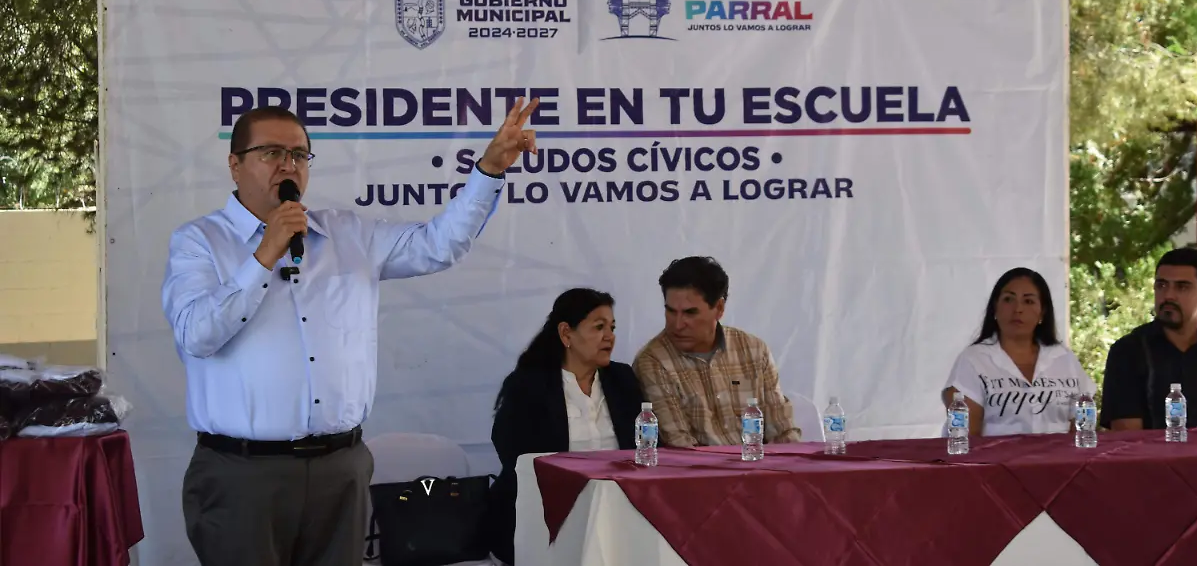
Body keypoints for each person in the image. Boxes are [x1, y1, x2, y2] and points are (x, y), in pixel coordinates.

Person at [161, 98, 538, 566]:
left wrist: (489, 169)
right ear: (235, 165)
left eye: (299, 155)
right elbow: (197, 334)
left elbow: (439, 245)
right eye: (272, 153)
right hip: (243, 474)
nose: (288, 166)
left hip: (340, 469)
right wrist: (264, 254)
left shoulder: (346, 235)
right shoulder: (199, 242)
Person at [486, 288, 644, 565]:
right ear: (566, 334)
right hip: (550, 510)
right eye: (599, 327)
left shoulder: (622, 379)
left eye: (612, 327)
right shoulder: (530, 384)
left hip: (617, 507)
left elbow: (645, 444)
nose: (610, 336)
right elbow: (513, 452)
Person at [632, 256, 802, 447]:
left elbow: (783, 430)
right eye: (671, 311)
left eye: (690, 313)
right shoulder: (654, 361)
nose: (677, 325)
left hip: (764, 469)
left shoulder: (753, 350)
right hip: (703, 474)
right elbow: (680, 447)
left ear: (719, 308)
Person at [942, 267, 1095, 435]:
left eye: (1028, 301)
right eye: (1008, 299)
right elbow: (965, 436)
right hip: (996, 459)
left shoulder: (1064, 359)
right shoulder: (974, 360)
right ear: (995, 307)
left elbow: (1084, 426)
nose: (1018, 309)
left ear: (1042, 312)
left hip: (1058, 459)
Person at [1101, 247, 1197, 430]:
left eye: (1182, 287)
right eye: (1161, 285)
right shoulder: (1128, 351)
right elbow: (1126, 439)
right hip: (1152, 458)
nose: (1168, 295)